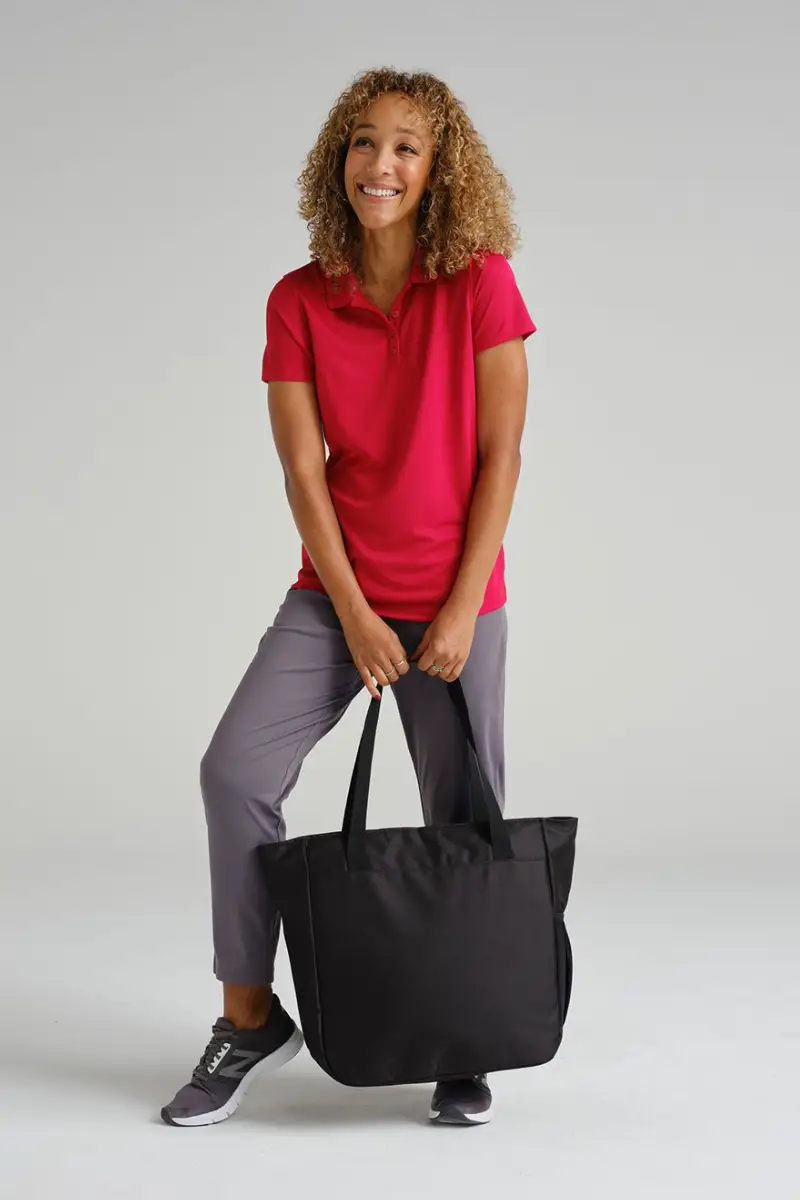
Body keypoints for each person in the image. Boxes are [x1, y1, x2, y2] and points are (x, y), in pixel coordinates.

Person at [161, 66, 536, 1129]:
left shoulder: (480, 283)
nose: (381, 164)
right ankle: (247, 1018)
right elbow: (302, 472)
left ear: (438, 168)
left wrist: (457, 610)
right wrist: (359, 614)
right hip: (337, 598)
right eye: (364, 143)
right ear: (340, 159)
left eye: (407, 147)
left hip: (457, 599)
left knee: (459, 820)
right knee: (234, 772)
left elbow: (501, 456)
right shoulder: (297, 298)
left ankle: (463, 1037)